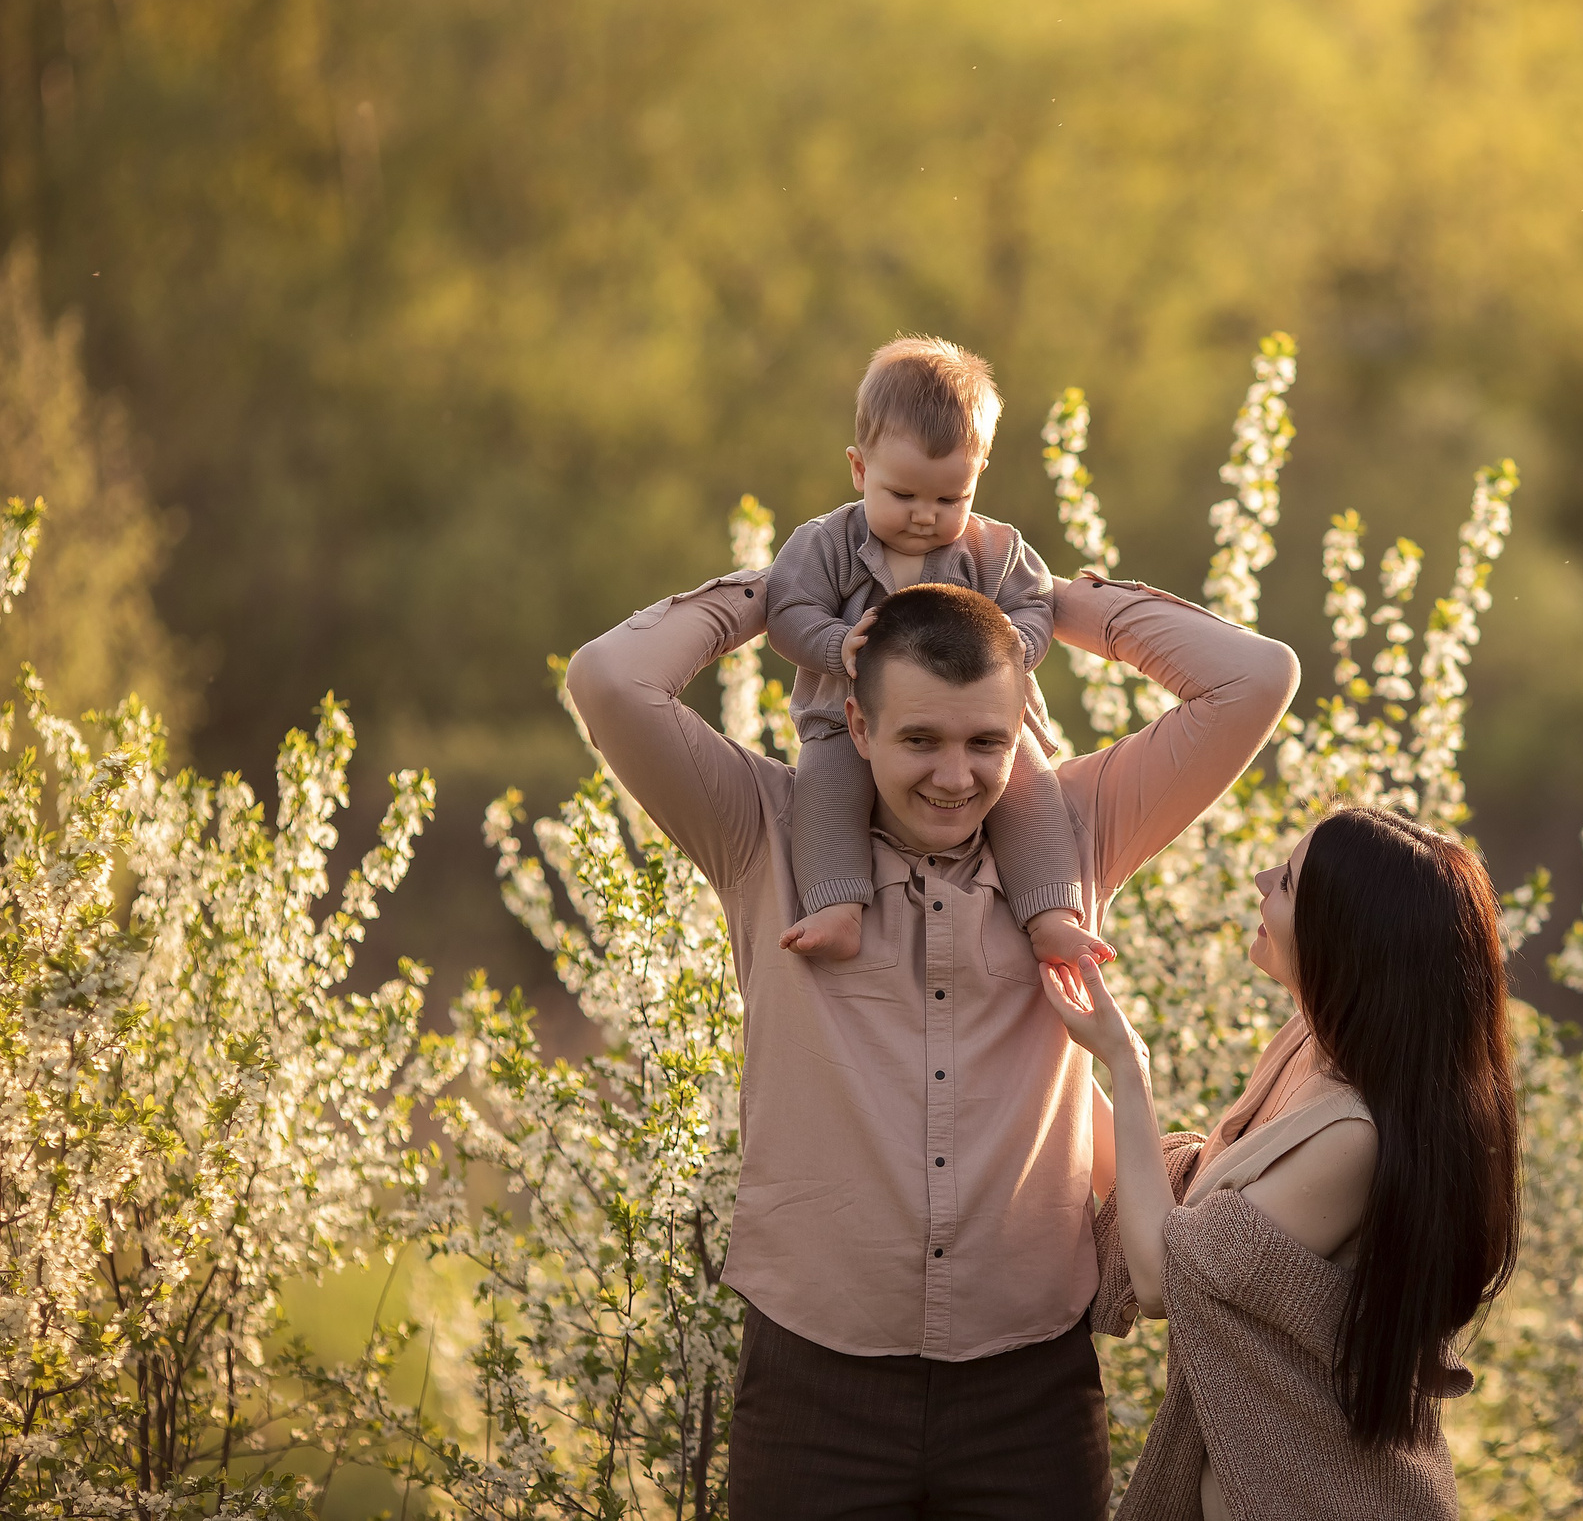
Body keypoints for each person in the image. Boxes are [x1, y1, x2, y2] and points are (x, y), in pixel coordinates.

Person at [565, 566, 1298, 1519]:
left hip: (1027, 1388)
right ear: (858, 728)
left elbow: (1256, 677)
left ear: (1021, 732)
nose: (956, 778)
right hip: (813, 1385)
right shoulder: (762, 831)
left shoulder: (1074, 837)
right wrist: (797, 586)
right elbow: (608, 679)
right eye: (919, 739)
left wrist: (1035, 597)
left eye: (986, 742)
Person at [1048, 805, 1522, 1521]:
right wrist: (1045, 1052)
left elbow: (1160, 1273)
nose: (1261, 880)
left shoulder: (1354, 1138)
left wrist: (1126, 1060)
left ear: (1346, 939)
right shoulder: (1309, 1045)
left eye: (1290, 883)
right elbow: (1169, 1199)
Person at [763, 334, 1108, 974]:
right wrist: (835, 644)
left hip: (981, 720)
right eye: (903, 496)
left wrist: (1015, 646)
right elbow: (786, 612)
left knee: (1029, 785)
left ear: (978, 480)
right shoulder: (829, 544)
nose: (925, 516)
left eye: (950, 499)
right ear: (860, 470)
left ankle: (1050, 912)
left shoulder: (992, 550)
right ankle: (838, 905)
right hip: (848, 711)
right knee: (825, 785)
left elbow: (1036, 605)